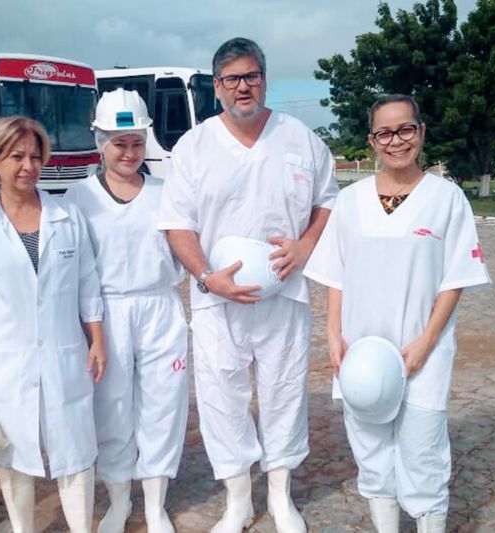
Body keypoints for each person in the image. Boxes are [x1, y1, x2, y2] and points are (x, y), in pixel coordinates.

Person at [157, 37, 338, 533]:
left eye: (252, 75)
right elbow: (177, 222)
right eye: (233, 79)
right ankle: (238, 498)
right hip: (218, 298)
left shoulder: (300, 138)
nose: (244, 86)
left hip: (284, 294)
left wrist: (304, 246)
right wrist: (205, 276)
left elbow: (327, 200)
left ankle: (280, 496)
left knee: (284, 391)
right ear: (217, 87)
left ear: (265, 78)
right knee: (222, 396)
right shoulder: (194, 147)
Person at [303, 94, 491, 533]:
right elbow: (337, 273)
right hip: (361, 351)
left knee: (423, 450)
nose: (396, 141)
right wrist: (334, 334)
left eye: (405, 129)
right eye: (384, 132)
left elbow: (454, 278)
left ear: (421, 132)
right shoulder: (350, 201)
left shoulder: (446, 199)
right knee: (371, 452)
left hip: (422, 348)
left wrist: (426, 341)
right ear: (372, 140)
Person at [0, 116, 105, 533]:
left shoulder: (67, 216)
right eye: (16, 156)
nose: (28, 166)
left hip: (64, 352)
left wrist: (97, 339)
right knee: (14, 455)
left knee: (75, 449)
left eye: (36, 156)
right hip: (3, 358)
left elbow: (88, 282)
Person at [65, 88, 188, 533]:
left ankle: (155, 502)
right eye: (119, 143)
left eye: (137, 142)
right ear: (100, 141)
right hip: (106, 313)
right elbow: (74, 270)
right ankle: (118, 498)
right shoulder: (78, 199)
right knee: (111, 406)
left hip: (159, 306)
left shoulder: (166, 192)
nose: (129, 152)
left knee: (163, 404)